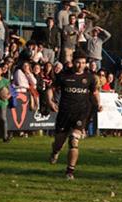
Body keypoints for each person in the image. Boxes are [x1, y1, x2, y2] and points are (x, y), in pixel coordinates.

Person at [46, 50, 102, 180]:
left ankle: (70, 171)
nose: (80, 65)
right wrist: (50, 101)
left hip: (81, 113)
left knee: (73, 140)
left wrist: (98, 104)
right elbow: (51, 89)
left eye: (83, 62)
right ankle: (55, 152)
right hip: (64, 114)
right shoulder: (63, 76)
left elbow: (95, 92)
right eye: (78, 62)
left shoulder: (90, 78)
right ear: (73, 61)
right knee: (59, 142)